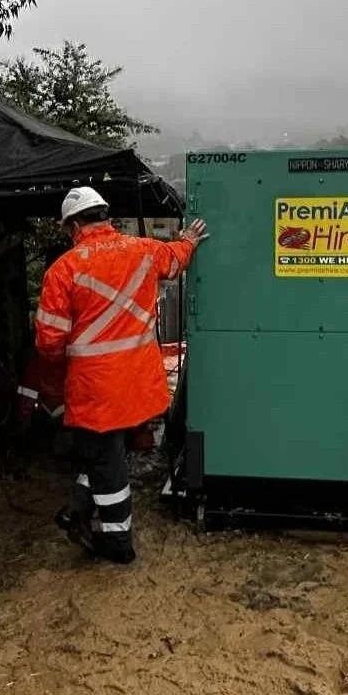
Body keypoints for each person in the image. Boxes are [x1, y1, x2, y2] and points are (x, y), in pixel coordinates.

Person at [36, 187, 209, 564]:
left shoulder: (63, 270)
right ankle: (77, 509)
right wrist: (189, 240)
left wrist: (54, 378)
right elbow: (176, 260)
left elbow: (49, 341)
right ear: (105, 215)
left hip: (95, 388)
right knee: (107, 454)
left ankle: (118, 545)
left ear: (74, 225)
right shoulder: (143, 250)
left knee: (106, 463)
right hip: (138, 383)